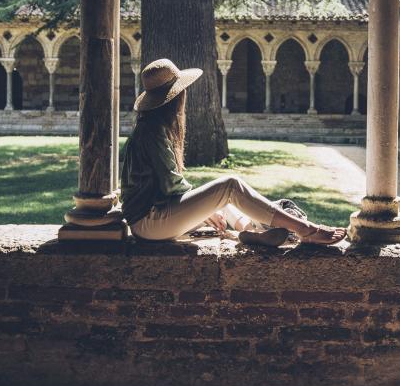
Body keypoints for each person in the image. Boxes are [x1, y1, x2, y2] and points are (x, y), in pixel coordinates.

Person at [121, 58, 347, 246]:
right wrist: (206, 209)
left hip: (151, 219)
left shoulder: (150, 127)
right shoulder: (152, 133)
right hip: (149, 222)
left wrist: (205, 207)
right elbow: (171, 185)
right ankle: (306, 229)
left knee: (222, 198)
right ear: (174, 98)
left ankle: (252, 232)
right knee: (229, 185)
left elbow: (168, 186)